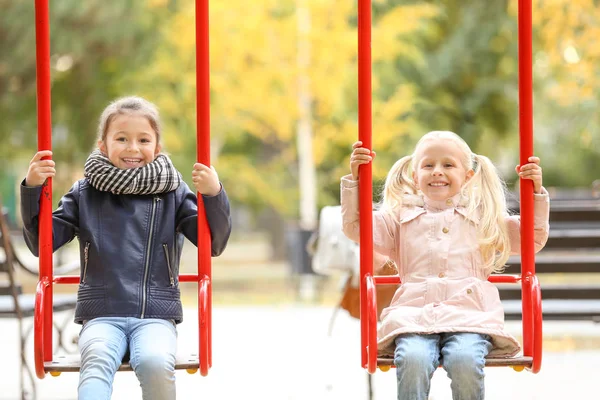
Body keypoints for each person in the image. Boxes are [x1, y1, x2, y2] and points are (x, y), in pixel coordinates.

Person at [21, 96, 232, 400]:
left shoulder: (173, 191)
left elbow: (214, 243)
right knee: (95, 362)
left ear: (157, 147)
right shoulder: (85, 193)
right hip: (102, 314)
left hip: (155, 314)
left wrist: (213, 194)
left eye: (143, 139)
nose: (133, 148)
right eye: (121, 138)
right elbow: (43, 242)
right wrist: (32, 188)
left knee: (155, 362)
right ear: (103, 145)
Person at [341, 131, 549, 400]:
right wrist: (356, 180)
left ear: (468, 176)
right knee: (413, 359)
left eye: (448, 165)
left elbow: (531, 238)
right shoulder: (398, 219)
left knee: (465, 360)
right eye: (428, 165)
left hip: (470, 317)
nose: (437, 172)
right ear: (415, 177)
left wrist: (535, 192)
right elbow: (356, 227)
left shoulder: (483, 219)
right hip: (413, 316)